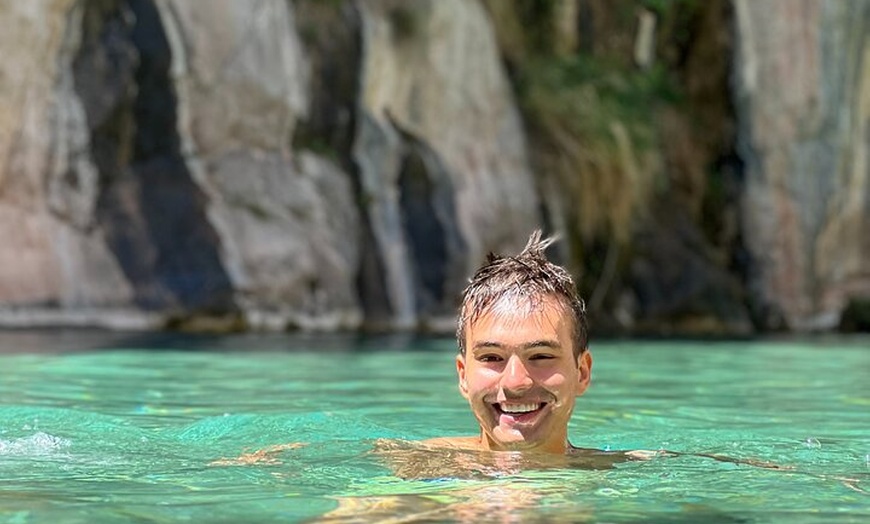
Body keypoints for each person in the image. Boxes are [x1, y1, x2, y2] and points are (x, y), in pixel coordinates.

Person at [422, 229, 593, 454]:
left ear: (582, 373)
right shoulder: (417, 465)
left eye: (541, 356)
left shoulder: (626, 470)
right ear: (463, 376)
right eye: (492, 357)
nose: (515, 383)